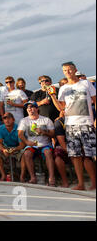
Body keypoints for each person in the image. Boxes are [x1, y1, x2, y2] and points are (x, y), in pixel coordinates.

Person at [50, 61, 96, 190]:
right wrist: (52, 95)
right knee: (75, 156)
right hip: (70, 125)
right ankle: (81, 184)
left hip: (86, 123)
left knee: (89, 155)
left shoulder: (86, 83)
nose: (68, 72)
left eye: (70, 69)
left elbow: (95, 100)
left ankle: (94, 182)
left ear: (75, 69)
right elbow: (61, 108)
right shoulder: (63, 88)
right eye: (65, 70)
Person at [18, 101, 56, 186]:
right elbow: (20, 134)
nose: (29, 109)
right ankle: (33, 177)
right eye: (28, 108)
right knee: (27, 153)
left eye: (32, 107)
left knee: (48, 152)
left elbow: (53, 134)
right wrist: (27, 142)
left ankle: (51, 177)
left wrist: (43, 132)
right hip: (32, 145)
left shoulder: (46, 120)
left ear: (37, 108)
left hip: (45, 144)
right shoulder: (24, 120)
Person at [0, 112, 25, 181]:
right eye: (5, 119)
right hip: (5, 147)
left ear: (13, 119)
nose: (7, 120)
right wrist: (3, 150)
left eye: (9, 118)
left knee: (24, 153)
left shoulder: (18, 128)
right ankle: (3, 175)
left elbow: (22, 145)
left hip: (17, 147)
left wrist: (15, 149)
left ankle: (22, 176)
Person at [53, 111, 70, 188]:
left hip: (76, 146)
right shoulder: (59, 122)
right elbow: (61, 142)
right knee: (57, 157)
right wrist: (70, 152)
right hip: (63, 146)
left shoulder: (78, 120)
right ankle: (65, 181)